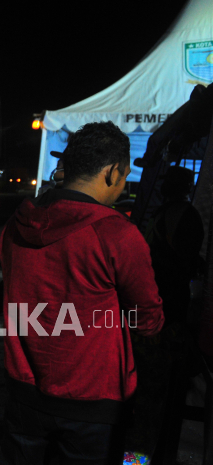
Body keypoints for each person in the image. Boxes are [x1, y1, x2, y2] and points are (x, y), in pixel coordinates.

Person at [0, 121, 164, 465]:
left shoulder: (17, 225)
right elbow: (148, 320)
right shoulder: (117, 233)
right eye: (124, 174)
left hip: (23, 391)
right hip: (93, 399)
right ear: (112, 171)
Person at [124, 166, 204, 463]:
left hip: (158, 318)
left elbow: (172, 267)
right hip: (160, 318)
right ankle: (137, 457)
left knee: (149, 397)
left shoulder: (173, 214)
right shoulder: (177, 214)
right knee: (151, 397)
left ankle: (136, 457)